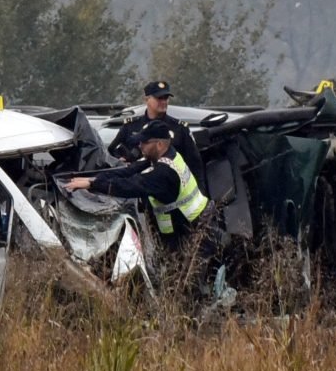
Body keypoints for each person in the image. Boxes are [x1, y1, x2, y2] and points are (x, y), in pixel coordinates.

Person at [64, 120, 223, 294]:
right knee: (177, 280)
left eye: (145, 142)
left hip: (199, 233)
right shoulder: (166, 155)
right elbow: (128, 172)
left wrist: (93, 185)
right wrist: (91, 179)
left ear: (160, 144)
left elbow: (130, 186)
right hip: (190, 227)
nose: (140, 145)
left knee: (188, 289)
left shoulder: (164, 173)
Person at [107, 81, 207, 194]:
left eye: (166, 98)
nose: (163, 102)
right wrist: (121, 161)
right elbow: (112, 151)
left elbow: (195, 165)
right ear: (146, 99)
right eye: (159, 98)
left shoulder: (179, 128)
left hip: (169, 190)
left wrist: (201, 194)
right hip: (136, 189)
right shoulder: (131, 126)